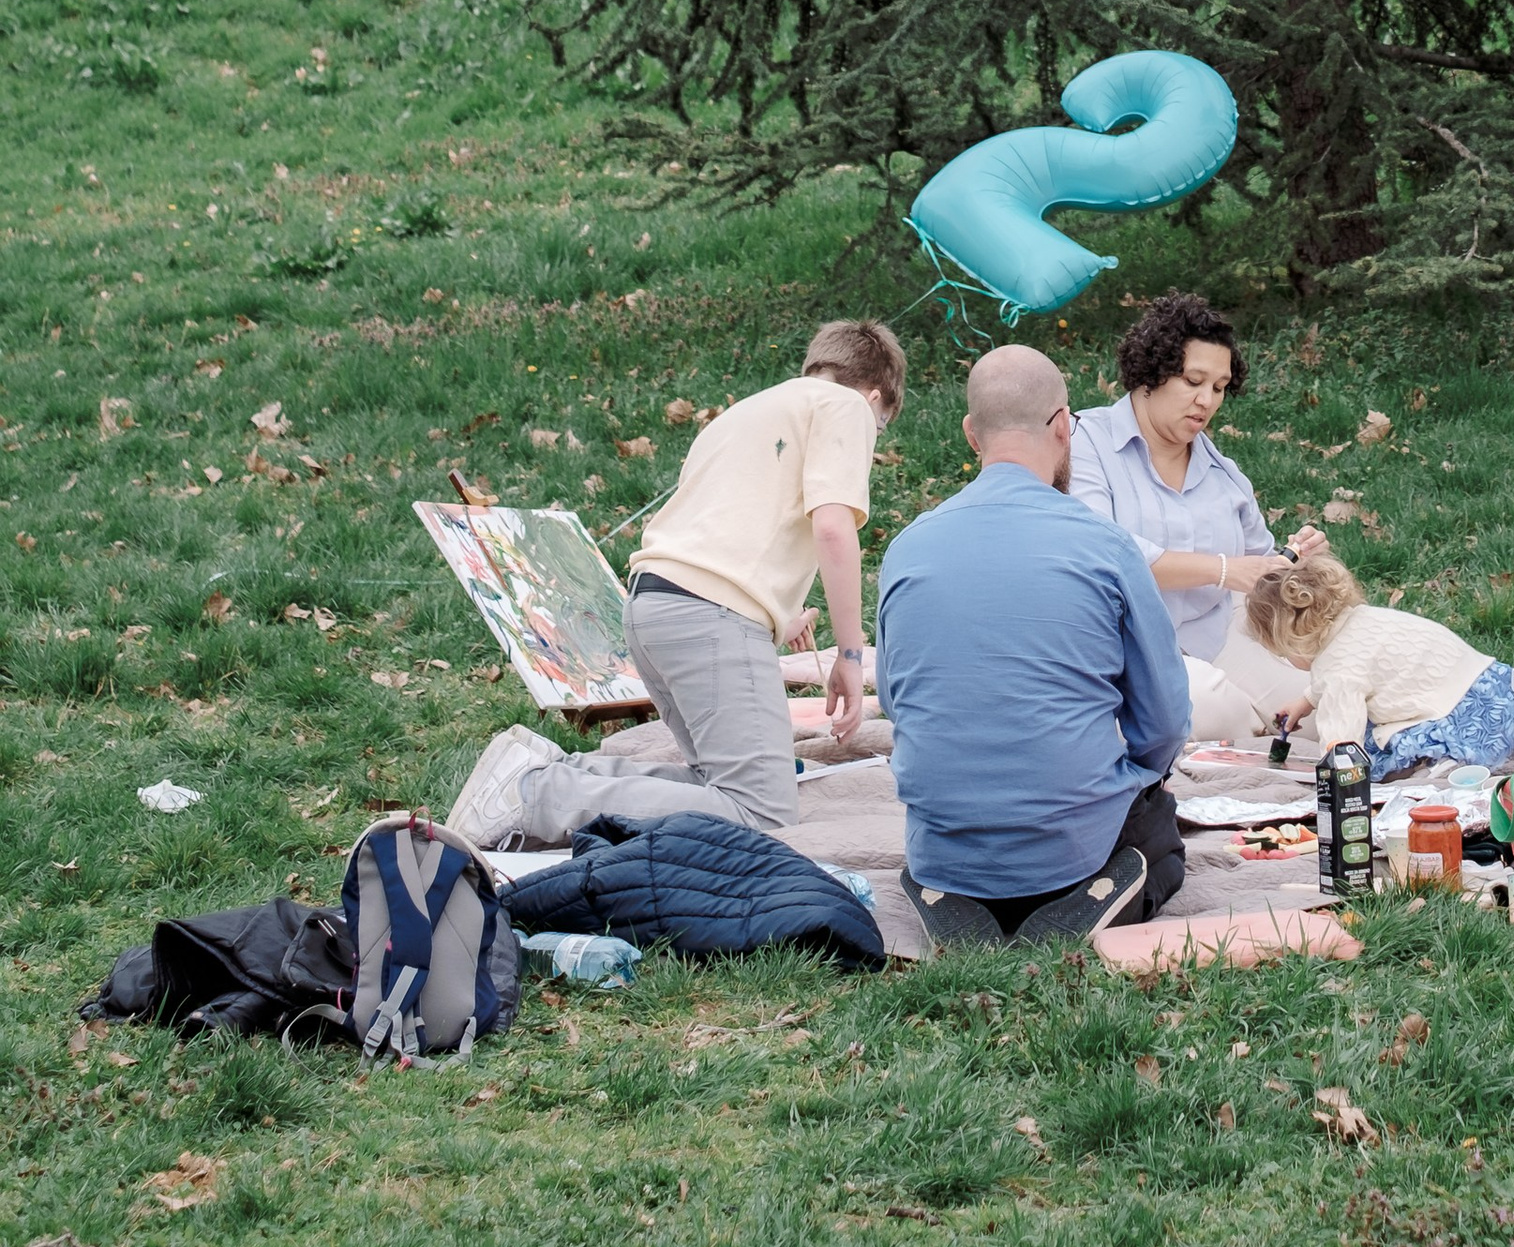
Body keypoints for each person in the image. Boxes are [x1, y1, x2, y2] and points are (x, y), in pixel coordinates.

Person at [446, 319, 903, 850]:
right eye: (881, 426)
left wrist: (782, 611)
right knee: (762, 810)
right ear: (874, 396)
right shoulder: (845, 406)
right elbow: (832, 526)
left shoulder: (749, 412)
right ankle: (533, 793)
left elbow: (729, 525)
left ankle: (551, 770)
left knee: (720, 788)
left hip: (653, 606)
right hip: (708, 617)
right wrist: (849, 654)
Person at [875, 340, 1191, 948]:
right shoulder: (1107, 546)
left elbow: (897, 700)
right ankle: (1088, 905)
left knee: (945, 850)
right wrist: (1142, 780)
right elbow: (1165, 718)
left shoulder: (905, 550)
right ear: (1062, 428)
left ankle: (944, 897)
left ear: (972, 434)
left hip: (946, 846)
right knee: (1161, 834)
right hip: (1074, 846)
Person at [1069, 290, 1312, 742]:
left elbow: (1260, 571)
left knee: (1317, 706)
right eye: (1193, 380)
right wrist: (1223, 571)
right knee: (1214, 709)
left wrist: (1294, 558)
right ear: (1151, 373)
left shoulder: (1223, 474)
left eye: (1218, 388)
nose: (1206, 400)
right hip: (1125, 652)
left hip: (1217, 637)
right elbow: (1103, 553)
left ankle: (1255, 737)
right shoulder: (1086, 443)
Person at [1246, 545, 1513, 775]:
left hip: (1458, 727)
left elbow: (1342, 742)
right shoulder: (1362, 618)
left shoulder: (1338, 669)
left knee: (1378, 754)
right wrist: (1306, 702)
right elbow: (1363, 666)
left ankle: (1444, 765)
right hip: (1493, 695)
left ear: (1295, 639)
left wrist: (1335, 777)